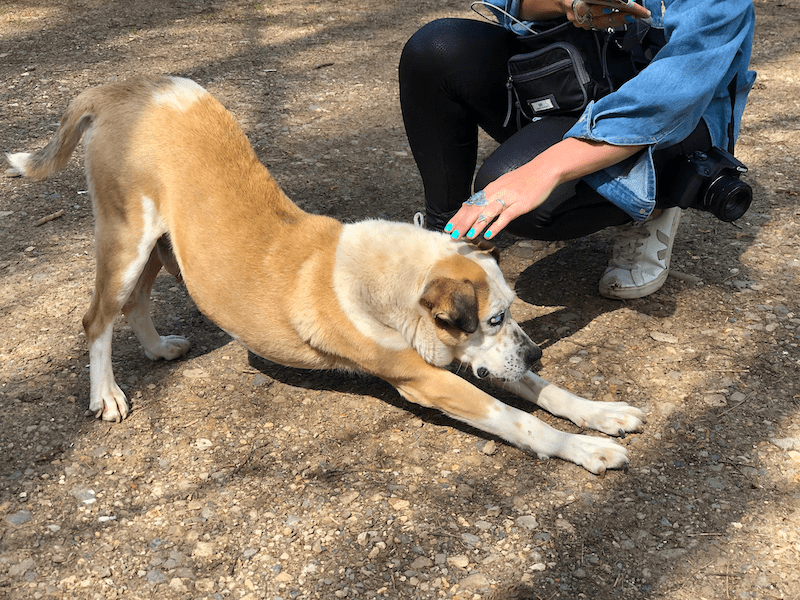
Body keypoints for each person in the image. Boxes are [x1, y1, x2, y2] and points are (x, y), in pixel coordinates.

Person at [399, 0, 756, 299]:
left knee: (520, 196)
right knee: (437, 48)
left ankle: (655, 200)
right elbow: (507, 3)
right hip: (578, 77)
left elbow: (679, 82)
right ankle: (447, 240)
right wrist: (568, 5)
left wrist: (541, 171)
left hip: (676, 117)